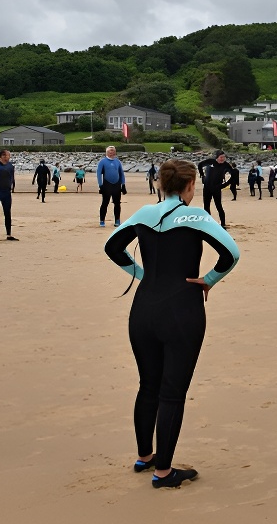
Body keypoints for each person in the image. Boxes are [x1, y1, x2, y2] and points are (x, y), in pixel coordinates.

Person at [103, 160, 240, 488]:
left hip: (143, 310)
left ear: (161, 184)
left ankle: (144, 456)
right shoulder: (197, 217)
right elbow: (231, 253)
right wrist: (208, 280)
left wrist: (141, 275)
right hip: (182, 310)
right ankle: (163, 473)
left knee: (147, 385)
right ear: (190, 185)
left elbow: (112, 247)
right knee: (172, 393)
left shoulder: (142, 214)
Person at [197, 151, 230, 228]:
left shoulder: (226, 165)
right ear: (217, 157)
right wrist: (202, 175)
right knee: (206, 205)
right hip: (207, 187)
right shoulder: (210, 162)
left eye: (224, 157)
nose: (222, 159)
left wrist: (224, 185)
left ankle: (223, 224)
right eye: (221, 157)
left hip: (217, 188)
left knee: (218, 206)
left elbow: (233, 175)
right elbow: (200, 165)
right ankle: (208, 222)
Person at [97, 146, 125, 227]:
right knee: (105, 203)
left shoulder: (117, 162)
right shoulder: (103, 162)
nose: (112, 153)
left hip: (117, 185)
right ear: (107, 153)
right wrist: (100, 185)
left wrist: (123, 185)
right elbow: (98, 174)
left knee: (117, 203)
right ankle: (102, 220)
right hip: (107, 185)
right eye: (110, 152)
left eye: (113, 152)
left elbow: (121, 173)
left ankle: (117, 220)